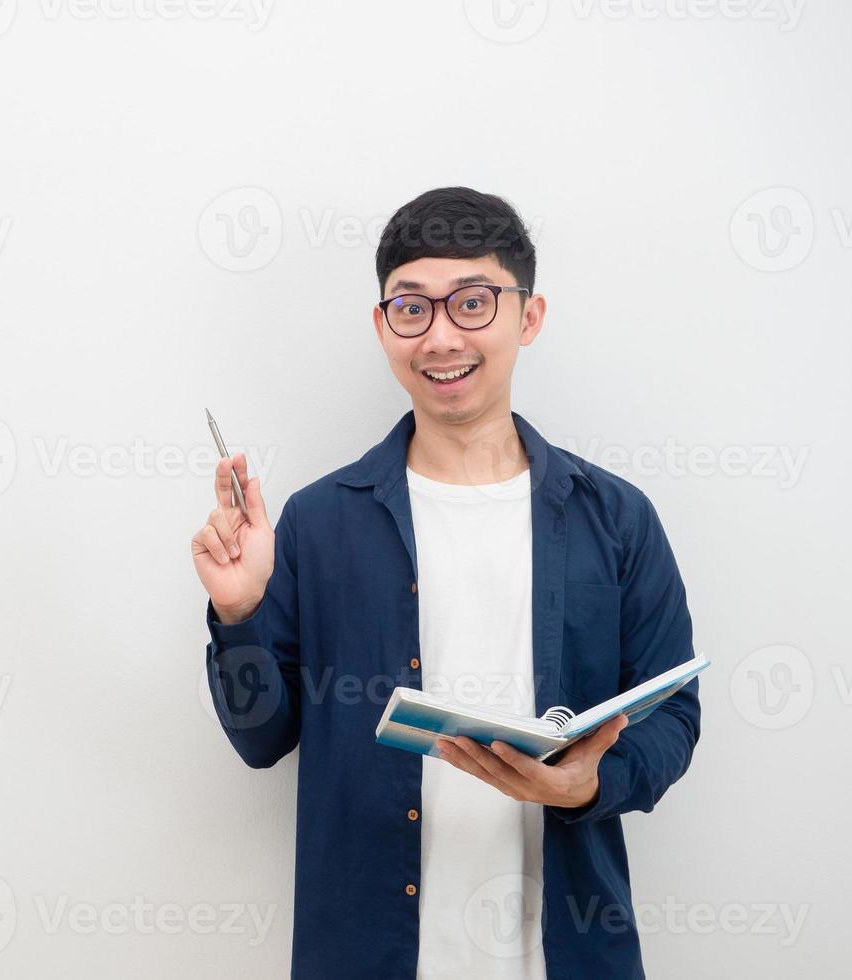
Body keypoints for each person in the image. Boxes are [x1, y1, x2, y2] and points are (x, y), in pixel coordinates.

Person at [190, 187, 702, 980]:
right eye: (411, 309)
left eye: (471, 303)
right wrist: (240, 612)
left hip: (563, 953)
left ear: (526, 318)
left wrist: (589, 781)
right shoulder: (319, 521)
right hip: (366, 952)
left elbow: (673, 717)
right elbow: (262, 741)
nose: (440, 337)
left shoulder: (615, 519)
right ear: (381, 324)